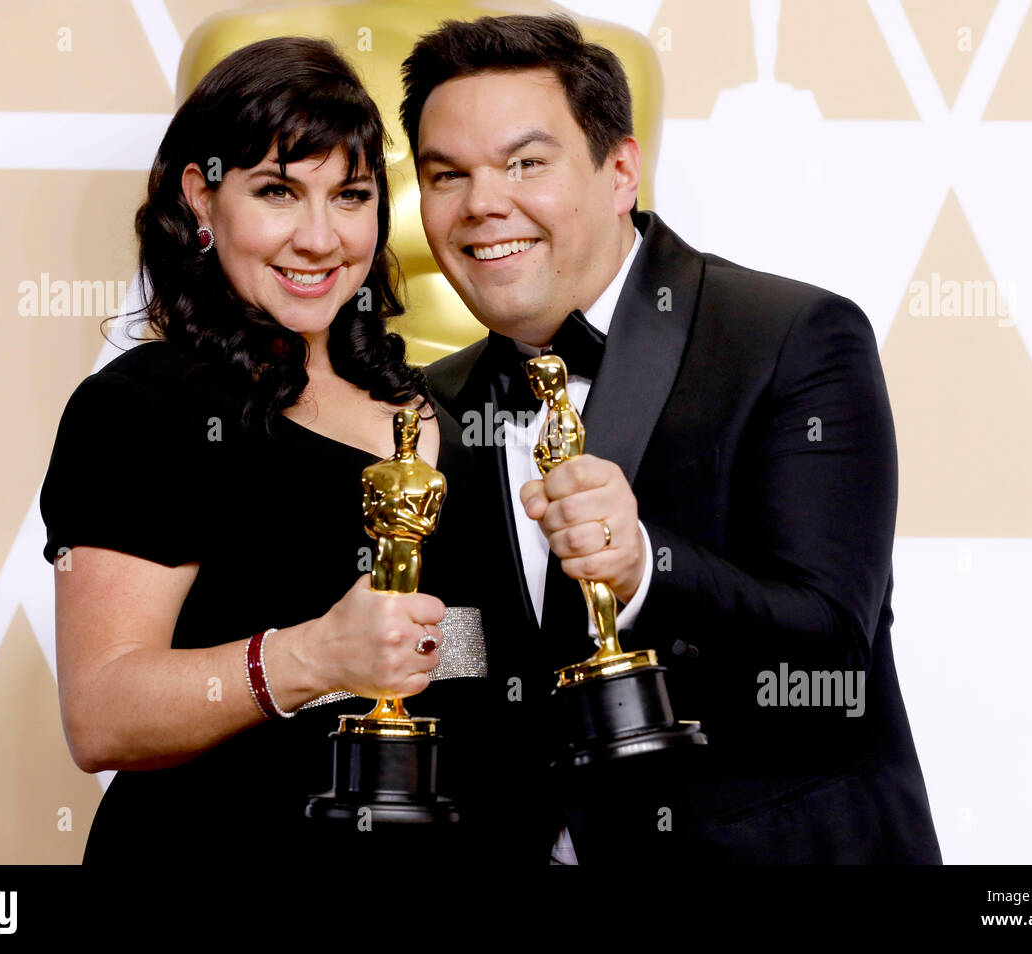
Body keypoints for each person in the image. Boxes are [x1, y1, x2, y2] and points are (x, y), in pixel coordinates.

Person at [401, 13, 943, 863]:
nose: (482, 204)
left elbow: (834, 647)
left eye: (525, 164)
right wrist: (411, 642)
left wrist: (648, 564)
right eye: (447, 175)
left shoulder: (792, 335)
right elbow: (502, 649)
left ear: (620, 171)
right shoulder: (433, 401)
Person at [40, 36, 521, 864]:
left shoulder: (439, 401)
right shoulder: (144, 406)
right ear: (202, 197)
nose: (319, 237)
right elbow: (102, 712)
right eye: (277, 192)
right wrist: (314, 657)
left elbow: (466, 653)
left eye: (350, 195)